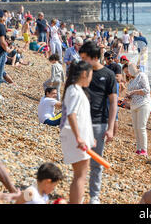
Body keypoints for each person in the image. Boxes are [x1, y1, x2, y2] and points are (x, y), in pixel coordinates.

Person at [79, 42, 118, 204]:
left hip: (99, 123)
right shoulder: (82, 72)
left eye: (85, 58)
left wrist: (111, 128)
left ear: (95, 57)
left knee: (96, 162)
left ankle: (94, 196)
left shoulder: (108, 74)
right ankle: (78, 194)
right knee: (80, 162)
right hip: (81, 122)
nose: (82, 61)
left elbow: (113, 102)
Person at [60, 60, 95, 204]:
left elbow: (82, 117)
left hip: (78, 136)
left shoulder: (76, 89)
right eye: (91, 75)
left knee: (81, 174)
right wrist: (79, 138)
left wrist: (90, 138)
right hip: (75, 137)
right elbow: (71, 114)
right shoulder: (73, 90)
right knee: (80, 175)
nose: (91, 79)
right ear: (85, 74)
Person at [124, 63, 151, 157]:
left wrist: (133, 92)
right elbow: (132, 94)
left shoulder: (142, 75)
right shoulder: (131, 80)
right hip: (134, 105)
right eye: (126, 72)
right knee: (136, 128)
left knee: (141, 127)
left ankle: (144, 149)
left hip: (143, 103)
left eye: (127, 71)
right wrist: (128, 97)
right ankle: (138, 149)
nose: (127, 74)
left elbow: (147, 90)